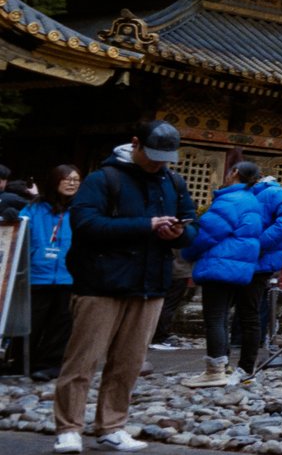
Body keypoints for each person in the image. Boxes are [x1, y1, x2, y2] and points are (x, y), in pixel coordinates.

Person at [58, 121, 196, 454]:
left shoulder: (173, 182)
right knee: (82, 361)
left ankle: (112, 426)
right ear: (135, 144)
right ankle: (69, 428)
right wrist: (146, 225)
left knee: (129, 363)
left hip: (150, 284)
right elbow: (85, 223)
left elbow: (192, 227)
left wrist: (178, 233)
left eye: (165, 158)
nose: (159, 163)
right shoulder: (103, 179)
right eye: (153, 155)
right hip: (101, 283)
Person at [180, 162, 269, 387]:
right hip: (240, 265)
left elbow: (209, 233)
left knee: (215, 318)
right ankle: (227, 367)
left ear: (235, 173)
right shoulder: (252, 200)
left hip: (220, 263)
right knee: (226, 317)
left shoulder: (230, 199)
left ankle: (215, 369)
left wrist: (187, 252)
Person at [241, 168, 282, 374]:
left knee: (254, 306)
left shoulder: (274, 193)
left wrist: (260, 243)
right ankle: (233, 350)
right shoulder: (245, 194)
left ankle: (246, 361)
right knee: (244, 306)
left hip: (259, 258)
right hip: (239, 258)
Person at [24, 166, 79, 381]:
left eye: (76, 180)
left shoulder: (80, 210)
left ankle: (50, 365)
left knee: (61, 323)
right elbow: (21, 229)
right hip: (37, 274)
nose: (72, 183)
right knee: (32, 321)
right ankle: (22, 362)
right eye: (67, 179)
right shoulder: (34, 209)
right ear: (54, 181)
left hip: (68, 275)